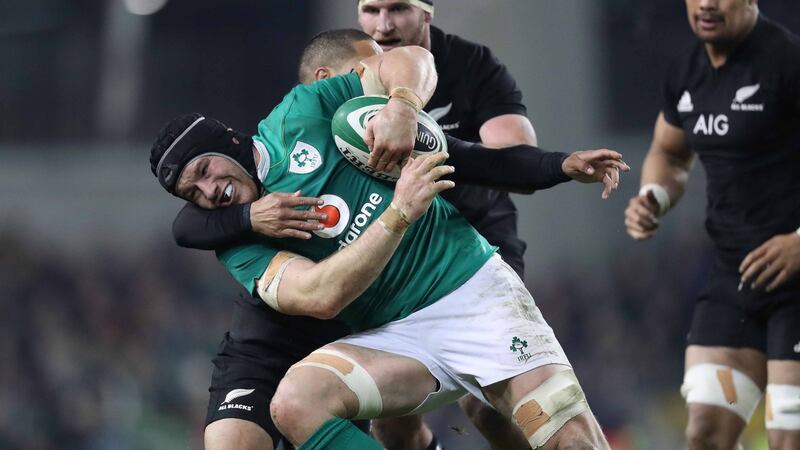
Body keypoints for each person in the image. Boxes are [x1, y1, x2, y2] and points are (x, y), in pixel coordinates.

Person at [150, 42, 615, 450]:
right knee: (295, 402)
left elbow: (412, 59)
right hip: (397, 336)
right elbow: (319, 296)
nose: (208, 191)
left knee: (571, 441)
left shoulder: (302, 113)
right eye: (193, 192)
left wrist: (403, 106)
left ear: (230, 142)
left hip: (474, 295)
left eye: (205, 170)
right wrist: (398, 213)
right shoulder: (237, 243)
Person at [624, 1, 800, 449]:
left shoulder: (788, 62)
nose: (706, 4)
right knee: (705, 433)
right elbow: (669, 152)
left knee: (789, 436)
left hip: (797, 284)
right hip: (732, 281)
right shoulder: (686, 72)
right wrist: (654, 196)